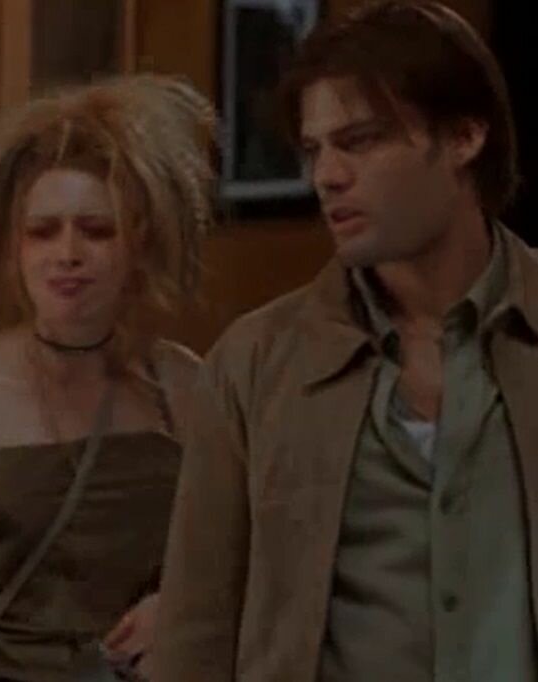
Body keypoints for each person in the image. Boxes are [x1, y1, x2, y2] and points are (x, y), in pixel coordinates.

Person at [152, 2, 535, 680]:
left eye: (360, 141)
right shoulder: (256, 363)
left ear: (463, 137)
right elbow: (196, 632)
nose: (327, 175)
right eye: (314, 150)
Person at [0, 74, 216, 682]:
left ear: (139, 243)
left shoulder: (181, 385)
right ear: (12, 247)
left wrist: (177, 606)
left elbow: (227, 555)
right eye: (43, 231)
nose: (67, 254)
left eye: (97, 230)